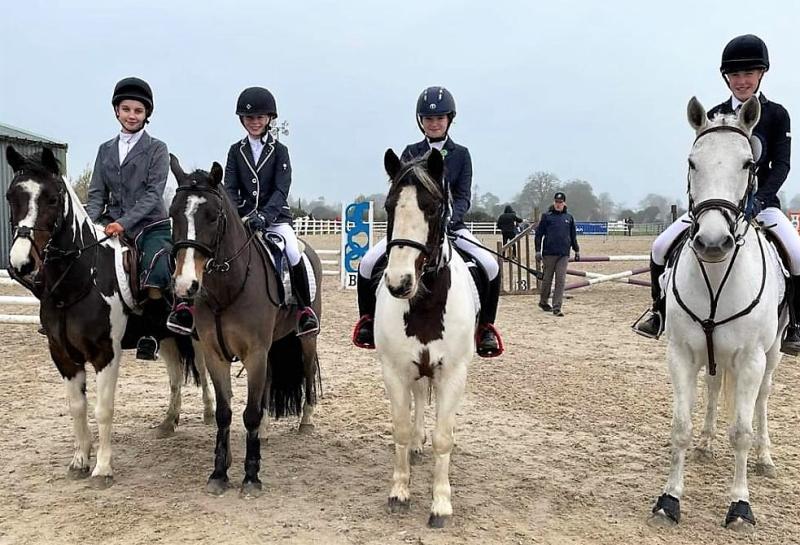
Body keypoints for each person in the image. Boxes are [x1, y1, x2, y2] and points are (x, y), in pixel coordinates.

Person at [634, 34, 797, 354]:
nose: (742, 81)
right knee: (660, 246)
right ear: (726, 78)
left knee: (798, 255)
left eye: (749, 73)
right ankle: (658, 312)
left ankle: (796, 327)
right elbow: (702, 164)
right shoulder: (715, 115)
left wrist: (760, 200)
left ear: (762, 73)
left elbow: (782, 165)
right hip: (715, 207)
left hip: (762, 207)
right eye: (735, 75)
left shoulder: (776, 114)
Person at [353, 86, 503, 357]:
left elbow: (462, 196)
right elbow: (404, 194)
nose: (434, 124)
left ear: (449, 120)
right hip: (414, 230)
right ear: (420, 121)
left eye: (440, 118)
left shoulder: (461, 154)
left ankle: (486, 328)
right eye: (429, 119)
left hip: (451, 226)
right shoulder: (411, 151)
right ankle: (368, 322)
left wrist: (449, 219)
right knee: (367, 263)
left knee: (490, 265)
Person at [85, 77, 174, 360]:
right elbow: (97, 192)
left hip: (150, 224)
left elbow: (152, 194)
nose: (132, 115)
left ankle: (151, 332)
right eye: (126, 109)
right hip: (111, 222)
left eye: (138, 110)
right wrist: (88, 224)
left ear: (146, 114)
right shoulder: (104, 149)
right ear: (117, 111)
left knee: (156, 267)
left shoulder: (158, 149)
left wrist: (123, 223)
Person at [221, 86, 319, 336]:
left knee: (293, 251)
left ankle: (304, 309)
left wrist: (264, 216)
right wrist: (242, 214)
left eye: (260, 118)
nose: (255, 122)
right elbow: (230, 187)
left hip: (275, 219)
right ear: (242, 119)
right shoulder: (235, 151)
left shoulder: (279, 151)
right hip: (244, 219)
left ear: (269, 119)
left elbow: (281, 189)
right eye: (250, 118)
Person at [534, 192, 580, 317]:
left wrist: (577, 250)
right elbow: (539, 235)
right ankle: (543, 302)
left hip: (563, 254)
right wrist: (538, 250)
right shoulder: (547, 217)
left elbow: (573, 236)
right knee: (547, 280)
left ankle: (557, 307)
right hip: (549, 253)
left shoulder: (569, 218)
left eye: (560, 202)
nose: (558, 204)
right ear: (554, 203)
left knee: (560, 280)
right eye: (556, 202)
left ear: (564, 203)